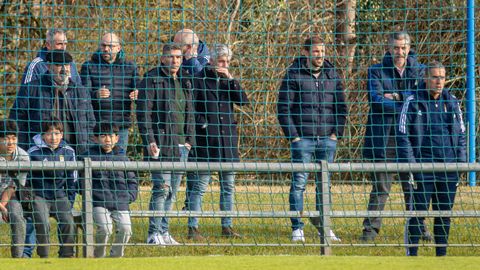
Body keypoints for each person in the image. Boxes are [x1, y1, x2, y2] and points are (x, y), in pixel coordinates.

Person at [11, 49, 95, 258]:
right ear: (49, 67)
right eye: (58, 66)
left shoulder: (80, 90)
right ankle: (28, 254)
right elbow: (17, 118)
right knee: (34, 214)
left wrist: (85, 149)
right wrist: (25, 150)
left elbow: (90, 121)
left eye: (67, 66)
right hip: (38, 159)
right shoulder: (32, 89)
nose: (63, 69)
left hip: (71, 159)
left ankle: (66, 255)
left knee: (66, 211)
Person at [360, 31, 432, 242]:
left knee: (412, 186)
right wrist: (406, 102)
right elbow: (376, 100)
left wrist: (398, 97)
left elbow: (422, 99)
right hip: (385, 138)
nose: (399, 52)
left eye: (403, 47)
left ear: (409, 48)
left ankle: (418, 227)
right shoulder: (375, 71)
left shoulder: (420, 71)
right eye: (395, 48)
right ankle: (370, 231)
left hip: (410, 137)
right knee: (381, 187)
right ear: (389, 48)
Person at [277, 36, 347, 242]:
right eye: (316, 51)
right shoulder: (293, 74)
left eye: (322, 51)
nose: (320, 55)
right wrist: (294, 137)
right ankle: (297, 228)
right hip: (303, 140)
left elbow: (341, 107)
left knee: (324, 185)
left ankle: (324, 227)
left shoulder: (332, 74)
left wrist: (336, 134)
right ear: (306, 53)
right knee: (299, 183)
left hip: (327, 139)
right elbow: (283, 109)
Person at [398, 61, 466, 256]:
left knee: (444, 215)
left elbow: (461, 134)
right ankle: (412, 255)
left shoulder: (452, 101)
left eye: (442, 77)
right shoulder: (412, 101)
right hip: (423, 169)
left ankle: (441, 257)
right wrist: (412, 166)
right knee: (417, 214)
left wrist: (460, 166)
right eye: (435, 77)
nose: (439, 81)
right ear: (426, 78)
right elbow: (403, 135)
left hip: (448, 169)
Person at [185, 44, 249, 241]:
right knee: (200, 186)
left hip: (227, 143)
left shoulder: (228, 81)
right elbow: (190, 110)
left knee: (228, 186)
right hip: (206, 143)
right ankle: (193, 228)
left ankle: (227, 226)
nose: (224, 65)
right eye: (221, 61)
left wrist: (231, 79)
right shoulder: (198, 80)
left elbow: (243, 101)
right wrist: (202, 124)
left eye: (227, 62)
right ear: (211, 60)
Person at [137, 44, 195, 246]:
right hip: (160, 143)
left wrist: (189, 141)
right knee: (161, 188)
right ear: (162, 58)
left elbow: (190, 113)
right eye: (170, 57)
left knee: (173, 191)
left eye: (178, 57)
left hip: (181, 146)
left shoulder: (185, 80)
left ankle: (164, 230)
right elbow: (143, 114)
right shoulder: (151, 79)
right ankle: (153, 234)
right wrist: (150, 140)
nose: (175, 61)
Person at [79, 123, 138, 258]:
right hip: (98, 202)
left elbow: (132, 180)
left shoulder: (123, 158)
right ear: (95, 138)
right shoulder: (87, 157)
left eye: (111, 136)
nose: (107, 139)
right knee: (105, 229)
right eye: (103, 136)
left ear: (117, 138)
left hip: (120, 201)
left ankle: (115, 257)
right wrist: (91, 196)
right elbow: (79, 182)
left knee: (126, 229)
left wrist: (128, 196)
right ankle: (99, 257)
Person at [80, 32, 139, 155]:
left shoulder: (130, 67)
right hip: (97, 125)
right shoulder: (89, 66)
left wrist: (137, 94)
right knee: (95, 161)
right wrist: (96, 94)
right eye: (103, 45)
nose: (106, 49)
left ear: (118, 48)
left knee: (119, 161)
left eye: (110, 46)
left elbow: (140, 91)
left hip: (120, 125)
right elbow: (82, 94)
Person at [28, 119, 77, 258]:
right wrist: (32, 197)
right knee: (43, 223)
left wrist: (70, 200)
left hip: (60, 195)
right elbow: (27, 180)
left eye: (57, 133)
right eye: (49, 133)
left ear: (62, 134)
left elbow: (71, 179)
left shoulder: (68, 151)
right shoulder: (33, 152)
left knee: (68, 222)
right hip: (39, 195)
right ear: (43, 135)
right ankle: (43, 256)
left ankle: (66, 256)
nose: (53, 137)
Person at [0, 120, 30, 258]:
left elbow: (15, 185)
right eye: (6, 138)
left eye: (13, 138)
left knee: (18, 217)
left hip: (9, 195)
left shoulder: (23, 157)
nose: (11, 142)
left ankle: (17, 258)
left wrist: (4, 205)